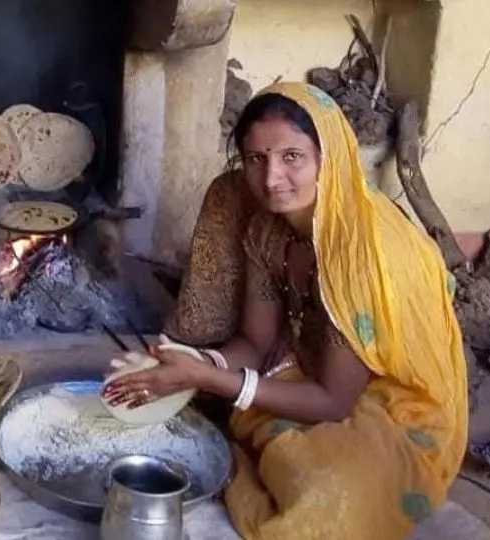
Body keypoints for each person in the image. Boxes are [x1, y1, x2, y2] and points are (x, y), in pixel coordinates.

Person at [102, 81, 469, 540]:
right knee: (261, 430)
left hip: (389, 404)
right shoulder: (269, 232)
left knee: (329, 499)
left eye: (292, 157)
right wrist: (199, 362)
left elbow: (336, 403)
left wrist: (209, 381)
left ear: (327, 157)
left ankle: (243, 471)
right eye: (256, 159)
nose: (272, 178)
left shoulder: (362, 251)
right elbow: (256, 342)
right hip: (310, 372)